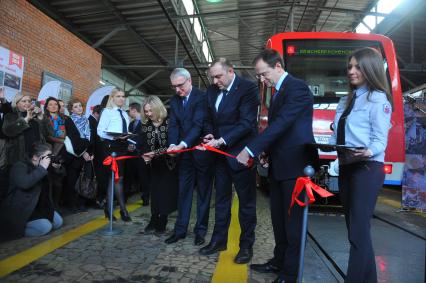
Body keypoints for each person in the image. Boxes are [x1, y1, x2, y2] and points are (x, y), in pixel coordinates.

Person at [236, 49, 318, 283]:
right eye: (259, 76)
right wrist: (266, 152)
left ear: (279, 66)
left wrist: (251, 149)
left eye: (264, 74)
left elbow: (283, 123)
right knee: (279, 221)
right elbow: (281, 131)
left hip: (295, 167)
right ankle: (279, 261)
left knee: (292, 224)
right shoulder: (279, 91)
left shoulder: (297, 88)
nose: (262, 79)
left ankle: (290, 275)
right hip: (280, 165)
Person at [328, 47, 392, 283]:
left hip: (367, 168)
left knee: (358, 231)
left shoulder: (377, 99)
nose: (351, 71)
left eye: (357, 66)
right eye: (350, 66)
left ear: (370, 69)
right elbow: (337, 135)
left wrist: (367, 150)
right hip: (346, 166)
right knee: (357, 231)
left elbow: (380, 140)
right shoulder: (345, 100)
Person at [199, 58, 259, 264]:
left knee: (246, 203)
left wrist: (222, 140)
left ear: (231, 71)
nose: (215, 81)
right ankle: (218, 240)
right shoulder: (212, 90)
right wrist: (208, 134)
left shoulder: (248, 89)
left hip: (240, 154)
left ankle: (246, 246)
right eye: (213, 77)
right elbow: (208, 118)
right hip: (219, 155)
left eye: (219, 76)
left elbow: (246, 123)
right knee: (222, 200)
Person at [165, 68, 213, 246]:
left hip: (201, 153)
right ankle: (180, 230)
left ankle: (200, 232)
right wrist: (172, 144)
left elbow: (197, 125)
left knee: (203, 193)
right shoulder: (175, 100)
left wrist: (182, 144)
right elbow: (174, 125)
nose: (178, 90)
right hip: (184, 155)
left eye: (180, 85)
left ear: (189, 80)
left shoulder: (202, 97)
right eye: (174, 87)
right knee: (183, 192)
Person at [0, 142, 63, 241]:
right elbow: (25, 183)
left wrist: (56, 169)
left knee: (58, 222)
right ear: (35, 157)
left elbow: (56, 182)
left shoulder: (43, 167)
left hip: (39, 207)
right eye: (47, 156)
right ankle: (17, 230)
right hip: (23, 209)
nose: (49, 159)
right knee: (45, 227)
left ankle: (39, 222)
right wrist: (42, 168)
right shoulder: (19, 166)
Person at [140, 96, 178, 234]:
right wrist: (145, 155)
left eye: (151, 110)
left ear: (158, 108)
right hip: (153, 165)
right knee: (154, 193)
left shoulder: (170, 122)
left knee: (165, 193)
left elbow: (171, 144)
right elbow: (142, 143)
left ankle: (163, 220)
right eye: (146, 111)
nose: (149, 114)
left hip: (169, 164)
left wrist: (154, 152)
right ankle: (154, 219)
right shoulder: (146, 125)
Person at [97, 88, 132, 222]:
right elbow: (100, 132)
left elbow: (125, 131)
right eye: (118, 96)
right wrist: (115, 136)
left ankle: (108, 208)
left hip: (123, 146)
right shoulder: (107, 112)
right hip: (111, 146)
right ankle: (123, 210)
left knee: (115, 179)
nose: (121, 99)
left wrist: (129, 140)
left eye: (123, 96)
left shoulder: (124, 114)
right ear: (112, 98)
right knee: (118, 178)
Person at [63, 99, 94, 212]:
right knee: (72, 181)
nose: (79, 108)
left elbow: (91, 138)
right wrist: (83, 152)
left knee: (85, 180)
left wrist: (91, 153)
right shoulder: (69, 121)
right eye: (76, 107)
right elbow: (74, 139)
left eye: (80, 106)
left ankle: (82, 204)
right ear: (71, 109)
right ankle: (72, 205)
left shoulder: (86, 120)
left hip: (87, 155)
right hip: (75, 155)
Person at [2, 93, 45, 166]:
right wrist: (26, 119)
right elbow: (8, 131)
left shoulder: (34, 116)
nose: (27, 103)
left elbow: (43, 135)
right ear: (17, 103)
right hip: (16, 158)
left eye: (29, 101)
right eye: (24, 101)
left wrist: (40, 117)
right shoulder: (10, 116)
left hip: (34, 157)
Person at [125, 102, 150, 205]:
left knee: (143, 177)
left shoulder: (146, 123)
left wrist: (136, 146)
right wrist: (129, 145)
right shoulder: (131, 124)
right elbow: (129, 137)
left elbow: (146, 139)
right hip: (130, 154)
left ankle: (145, 198)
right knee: (128, 176)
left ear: (134, 110)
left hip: (141, 154)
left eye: (129, 110)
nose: (129, 112)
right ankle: (124, 198)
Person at [88, 105, 108, 207]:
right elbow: (92, 140)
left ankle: (100, 199)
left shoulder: (95, 121)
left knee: (100, 178)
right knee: (97, 178)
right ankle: (97, 200)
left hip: (99, 155)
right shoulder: (91, 121)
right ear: (97, 113)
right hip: (96, 155)